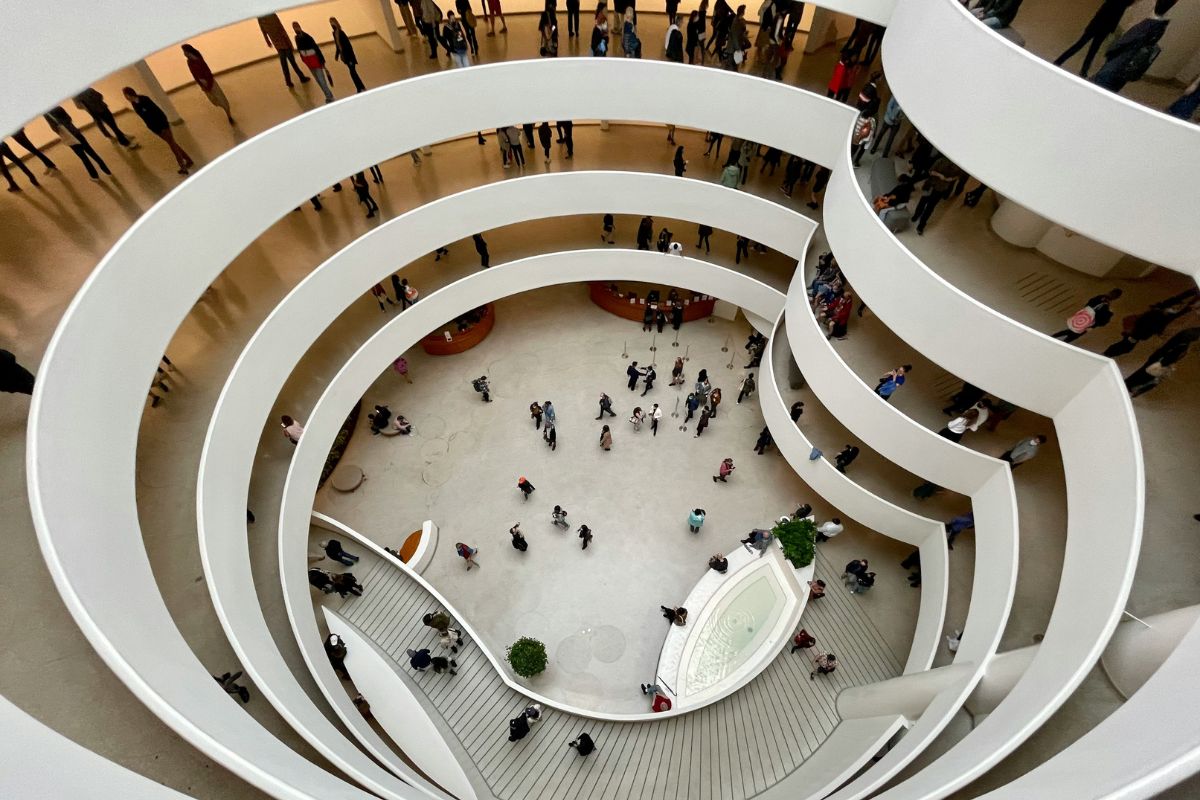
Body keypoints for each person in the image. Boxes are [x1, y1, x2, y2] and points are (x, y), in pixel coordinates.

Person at [1092, 0, 1176, 93]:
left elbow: (1123, 42)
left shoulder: (1148, 25)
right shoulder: (1161, 24)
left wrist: (1110, 51)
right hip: (1128, 65)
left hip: (1120, 61)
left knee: (1102, 85)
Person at [1054, 0, 1135, 77]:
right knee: (1092, 50)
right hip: (1104, 27)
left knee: (1080, 45)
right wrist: (1111, 29)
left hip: (1097, 24)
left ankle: (1060, 61)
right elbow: (1117, 16)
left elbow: (1102, 10)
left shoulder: (1117, 3)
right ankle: (1083, 70)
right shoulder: (1123, 4)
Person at [123, 88, 194, 175]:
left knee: (172, 144)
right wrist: (152, 127)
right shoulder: (134, 104)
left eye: (126, 95)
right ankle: (188, 160)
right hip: (154, 128)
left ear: (130, 94)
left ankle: (182, 166)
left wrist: (163, 126)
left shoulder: (144, 99)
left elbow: (158, 112)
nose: (126, 97)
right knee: (172, 143)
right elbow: (144, 117)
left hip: (162, 124)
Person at [43, 106, 111, 181]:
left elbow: (54, 128)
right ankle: (107, 170)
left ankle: (94, 176)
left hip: (69, 137)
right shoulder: (57, 107)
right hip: (76, 132)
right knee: (91, 152)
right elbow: (69, 118)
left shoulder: (46, 113)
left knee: (83, 157)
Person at [182, 44, 235, 124]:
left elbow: (208, 72)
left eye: (184, 51)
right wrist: (202, 85)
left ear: (188, 51)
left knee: (222, 99)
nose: (184, 53)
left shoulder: (199, 60)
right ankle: (226, 111)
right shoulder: (189, 62)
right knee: (214, 100)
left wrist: (209, 84)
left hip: (210, 82)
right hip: (203, 84)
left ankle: (229, 115)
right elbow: (194, 75)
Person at [72, 88, 137, 149]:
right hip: (95, 112)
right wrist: (88, 105)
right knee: (112, 126)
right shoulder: (75, 95)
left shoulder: (86, 88)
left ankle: (122, 136)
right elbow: (79, 106)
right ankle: (125, 143)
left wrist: (95, 98)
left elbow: (99, 95)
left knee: (113, 125)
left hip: (103, 107)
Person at [258, 14, 310, 87]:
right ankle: (301, 78)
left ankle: (289, 81)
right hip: (283, 42)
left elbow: (264, 31)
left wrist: (268, 41)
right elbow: (281, 28)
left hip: (277, 43)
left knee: (284, 63)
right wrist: (289, 43)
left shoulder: (260, 17)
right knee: (292, 61)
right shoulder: (271, 15)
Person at [1052, 290, 1122, 342]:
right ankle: (1058, 339)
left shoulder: (1104, 303)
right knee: (1074, 332)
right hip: (1087, 320)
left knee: (1074, 332)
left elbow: (1088, 306)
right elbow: (1100, 318)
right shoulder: (1103, 302)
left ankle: (1058, 339)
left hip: (1087, 320)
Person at [292, 22, 335, 103]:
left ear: (299, 27)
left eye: (296, 27)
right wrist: (304, 60)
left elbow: (316, 49)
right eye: (294, 27)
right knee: (319, 81)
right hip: (310, 63)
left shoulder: (307, 37)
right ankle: (328, 96)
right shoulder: (297, 38)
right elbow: (300, 50)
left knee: (321, 81)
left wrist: (322, 62)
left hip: (316, 62)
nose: (295, 29)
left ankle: (330, 96)